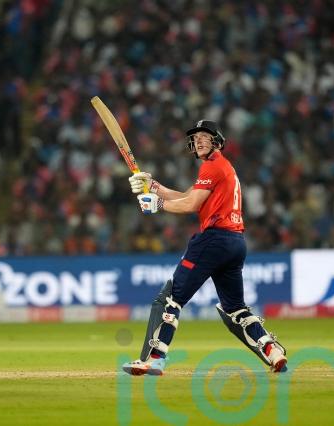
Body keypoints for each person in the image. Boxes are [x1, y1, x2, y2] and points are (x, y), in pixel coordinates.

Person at [122, 120, 287, 376]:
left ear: (217, 141)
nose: (199, 140)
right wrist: (153, 186)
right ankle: (272, 350)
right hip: (235, 243)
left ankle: (154, 359)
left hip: (213, 239)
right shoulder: (221, 167)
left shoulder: (212, 166)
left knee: (171, 298)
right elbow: (187, 196)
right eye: (196, 136)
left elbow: (191, 205)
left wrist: (156, 205)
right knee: (235, 308)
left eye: (205, 136)